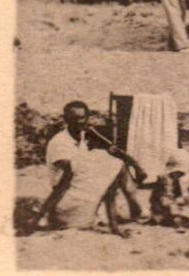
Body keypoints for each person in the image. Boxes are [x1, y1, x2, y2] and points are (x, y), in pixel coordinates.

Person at [34, 101, 133, 235]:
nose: (79, 122)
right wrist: (41, 216)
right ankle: (119, 220)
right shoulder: (60, 143)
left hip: (74, 198)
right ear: (66, 120)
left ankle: (117, 221)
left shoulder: (80, 137)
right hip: (65, 204)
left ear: (87, 118)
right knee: (111, 167)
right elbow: (62, 185)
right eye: (74, 119)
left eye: (83, 118)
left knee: (109, 164)